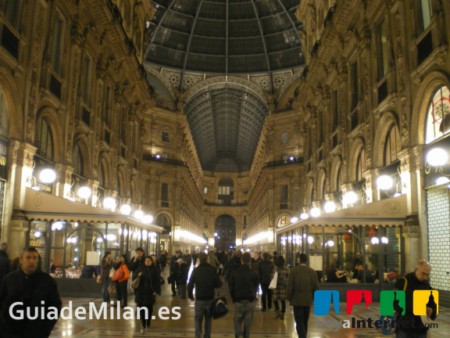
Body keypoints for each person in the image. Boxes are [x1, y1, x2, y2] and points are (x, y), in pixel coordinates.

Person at [0, 246, 62, 338]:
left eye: (34, 258)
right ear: (21, 260)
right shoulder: (9, 280)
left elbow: (54, 305)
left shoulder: (47, 281)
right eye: (28, 257)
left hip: (36, 332)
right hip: (11, 332)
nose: (31, 261)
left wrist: (46, 328)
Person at [394, 260, 436, 338]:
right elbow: (395, 303)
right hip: (404, 328)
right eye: (423, 273)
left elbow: (432, 303)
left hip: (421, 329)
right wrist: (418, 308)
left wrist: (432, 310)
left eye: (428, 275)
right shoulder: (403, 282)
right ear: (416, 269)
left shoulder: (426, 285)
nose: (425, 277)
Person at [188, 252, 222, 338]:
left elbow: (190, 284)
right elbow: (219, 284)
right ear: (207, 259)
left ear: (199, 259)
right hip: (210, 298)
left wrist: (190, 295)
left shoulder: (196, 271)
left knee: (198, 320)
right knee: (208, 320)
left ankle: (197, 336)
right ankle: (207, 336)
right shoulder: (212, 270)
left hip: (199, 299)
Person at [286, 253, 319, 338]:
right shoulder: (312, 271)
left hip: (297, 300)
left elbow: (290, 286)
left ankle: (302, 336)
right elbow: (316, 286)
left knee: (299, 320)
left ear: (299, 260)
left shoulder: (293, 271)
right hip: (308, 301)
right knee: (305, 321)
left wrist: (289, 298)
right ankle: (303, 335)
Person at [229, 252, 259, 338]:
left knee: (237, 322)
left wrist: (233, 299)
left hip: (238, 301)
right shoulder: (253, 273)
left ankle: (239, 335)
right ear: (250, 261)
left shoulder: (235, 273)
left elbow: (231, 287)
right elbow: (256, 285)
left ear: (241, 260)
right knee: (248, 324)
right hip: (250, 301)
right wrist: (254, 296)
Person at [135, 256, 161, 334]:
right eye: (146, 261)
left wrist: (156, 290)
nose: (147, 262)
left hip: (150, 292)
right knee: (141, 309)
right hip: (140, 292)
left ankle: (148, 320)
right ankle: (143, 323)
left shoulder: (154, 270)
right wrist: (138, 275)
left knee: (149, 309)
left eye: (149, 261)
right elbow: (134, 278)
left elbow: (157, 281)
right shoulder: (140, 269)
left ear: (151, 262)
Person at [273, 255, 289, 320]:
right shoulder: (286, 268)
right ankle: (282, 314)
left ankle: (277, 313)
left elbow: (272, 276)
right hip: (283, 286)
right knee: (283, 301)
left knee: (275, 300)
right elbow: (289, 276)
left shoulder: (275, 268)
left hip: (276, 286)